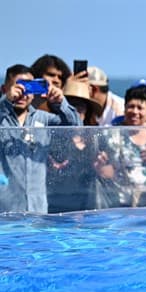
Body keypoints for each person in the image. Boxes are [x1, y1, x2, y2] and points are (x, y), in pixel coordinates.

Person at [0, 64, 81, 213]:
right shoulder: (2, 119)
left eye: (28, 88)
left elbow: (76, 127)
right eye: (18, 88)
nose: (23, 94)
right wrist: (5, 102)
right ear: (5, 89)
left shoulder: (44, 119)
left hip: (38, 211)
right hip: (4, 212)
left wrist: (60, 103)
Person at [103, 85, 146, 207]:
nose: (135, 112)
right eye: (131, 106)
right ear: (124, 108)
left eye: (140, 108)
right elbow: (104, 167)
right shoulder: (111, 135)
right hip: (122, 202)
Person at [46, 79, 105, 213]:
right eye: (71, 105)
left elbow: (109, 173)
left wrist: (101, 166)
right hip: (54, 206)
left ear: (88, 110)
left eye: (80, 107)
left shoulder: (97, 138)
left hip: (88, 207)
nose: (75, 111)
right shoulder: (51, 135)